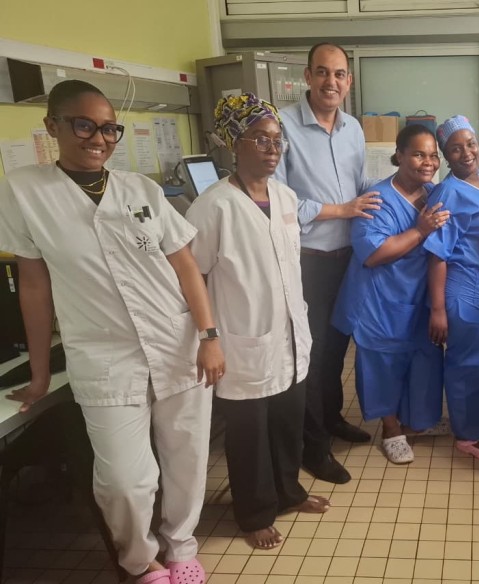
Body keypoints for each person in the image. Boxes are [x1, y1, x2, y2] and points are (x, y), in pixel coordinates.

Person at [0, 80, 224, 584]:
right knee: (125, 480)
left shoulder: (140, 189)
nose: (98, 138)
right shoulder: (24, 191)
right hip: (102, 354)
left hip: (177, 341)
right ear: (52, 126)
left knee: (186, 457)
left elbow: (186, 267)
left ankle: (182, 546)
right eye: (84, 125)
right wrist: (40, 375)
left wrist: (209, 336)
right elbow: (33, 287)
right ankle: (141, 561)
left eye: (109, 129)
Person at [185, 93, 331, 551]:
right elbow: (193, 276)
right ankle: (254, 513)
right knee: (249, 434)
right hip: (241, 339)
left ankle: (289, 493)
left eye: (276, 140)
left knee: (288, 422)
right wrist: (207, 337)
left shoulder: (285, 196)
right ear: (234, 143)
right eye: (260, 139)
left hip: (289, 335)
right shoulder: (213, 206)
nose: (272, 149)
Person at [275, 43, 380, 483]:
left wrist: (404, 191)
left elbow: (362, 185)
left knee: (338, 347)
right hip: (308, 261)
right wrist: (342, 210)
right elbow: (278, 201)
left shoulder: (353, 129)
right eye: (322, 72)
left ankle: (332, 419)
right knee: (312, 356)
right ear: (307, 76)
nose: (330, 82)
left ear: (348, 82)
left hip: (347, 259)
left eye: (338, 74)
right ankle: (312, 447)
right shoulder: (281, 126)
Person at [332, 125, 450, 464]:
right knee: (384, 364)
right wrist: (420, 230)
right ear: (399, 155)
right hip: (380, 299)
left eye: (432, 155)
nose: (428, 162)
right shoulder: (378, 199)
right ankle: (391, 428)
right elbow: (374, 253)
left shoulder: (433, 194)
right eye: (418, 154)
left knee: (424, 360)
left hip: (417, 295)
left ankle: (416, 422)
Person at [425, 115, 479, 462]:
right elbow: (437, 254)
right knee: (466, 367)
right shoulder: (448, 192)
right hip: (467, 294)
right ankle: (468, 434)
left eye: (470, 144)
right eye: (456, 149)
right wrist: (438, 309)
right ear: (446, 155)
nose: (466, 153)